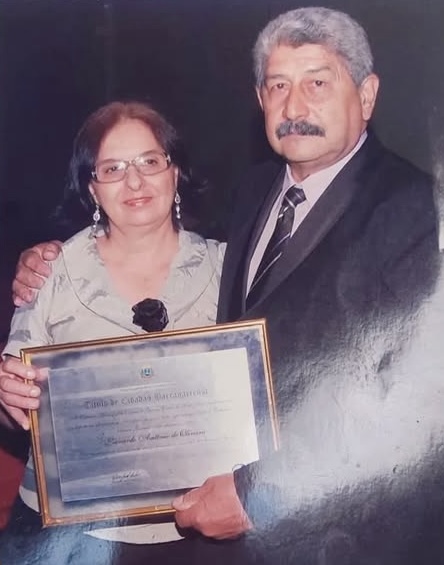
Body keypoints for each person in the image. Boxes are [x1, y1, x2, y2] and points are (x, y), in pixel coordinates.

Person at [10, 7, 444, 564]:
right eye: (278, 86)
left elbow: (414, 406)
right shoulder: (255, 193)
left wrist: (255, 491)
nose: (295, 107)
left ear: (366, 94)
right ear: (260, 100)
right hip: (153, 536)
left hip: (339, 537)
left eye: (317, 82)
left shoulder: (419, 212)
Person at [0, 100, 224, 564]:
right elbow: (12, 413)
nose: (134, 181)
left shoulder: (228, 268)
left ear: (175, 172)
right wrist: (7, 395)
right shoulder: (49, 273)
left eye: (149, 161)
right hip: (65, 540)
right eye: (113, 168)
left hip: (193, 534)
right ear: (92, 188)